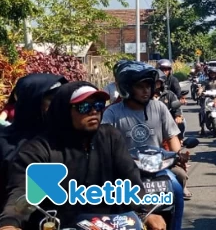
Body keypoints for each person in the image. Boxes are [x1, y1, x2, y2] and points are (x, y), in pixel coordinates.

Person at [0, 81, 166, 230]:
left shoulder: (110, 137)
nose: (94, 111)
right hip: (62, 223)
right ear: (64, 111)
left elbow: (130, 179)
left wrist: (146, 212)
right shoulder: (40, 149)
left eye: (99, 105)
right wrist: (10, 223)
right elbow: (23, 193)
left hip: (113, 224)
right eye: (84, 107)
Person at [101, 61, 192, 200]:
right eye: (140, 87)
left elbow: (172, 137)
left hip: (158, 167)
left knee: (179, 179)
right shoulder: (112, 113)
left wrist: (178, 156)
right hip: (125, 170)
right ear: (127, 88)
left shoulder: (159, 107)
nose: (146, 90)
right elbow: (104, 142)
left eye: (148, 86)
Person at [0, 73, 68, 208]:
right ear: (32, 103)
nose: (60, 106)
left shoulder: (68, 136)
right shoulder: (4, 143)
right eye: (52, 100)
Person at [154, 71, 184, 139]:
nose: (156, 84)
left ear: (162, 82)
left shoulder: (169, 94)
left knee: (181, 122)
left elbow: (176, 106)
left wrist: (178, 116)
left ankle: (180, 141)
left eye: (158, 82)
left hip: (168, 121)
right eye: (154, 81)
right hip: (151, 122)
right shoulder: (147, 96)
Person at [197, 66, 216, 136]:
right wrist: (200, 91)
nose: (213, 74)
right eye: (211, 73)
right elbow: (202, 87)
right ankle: (202, 127)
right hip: (208, 98)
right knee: (202, 111)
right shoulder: (206, 81)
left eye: (214, 73)